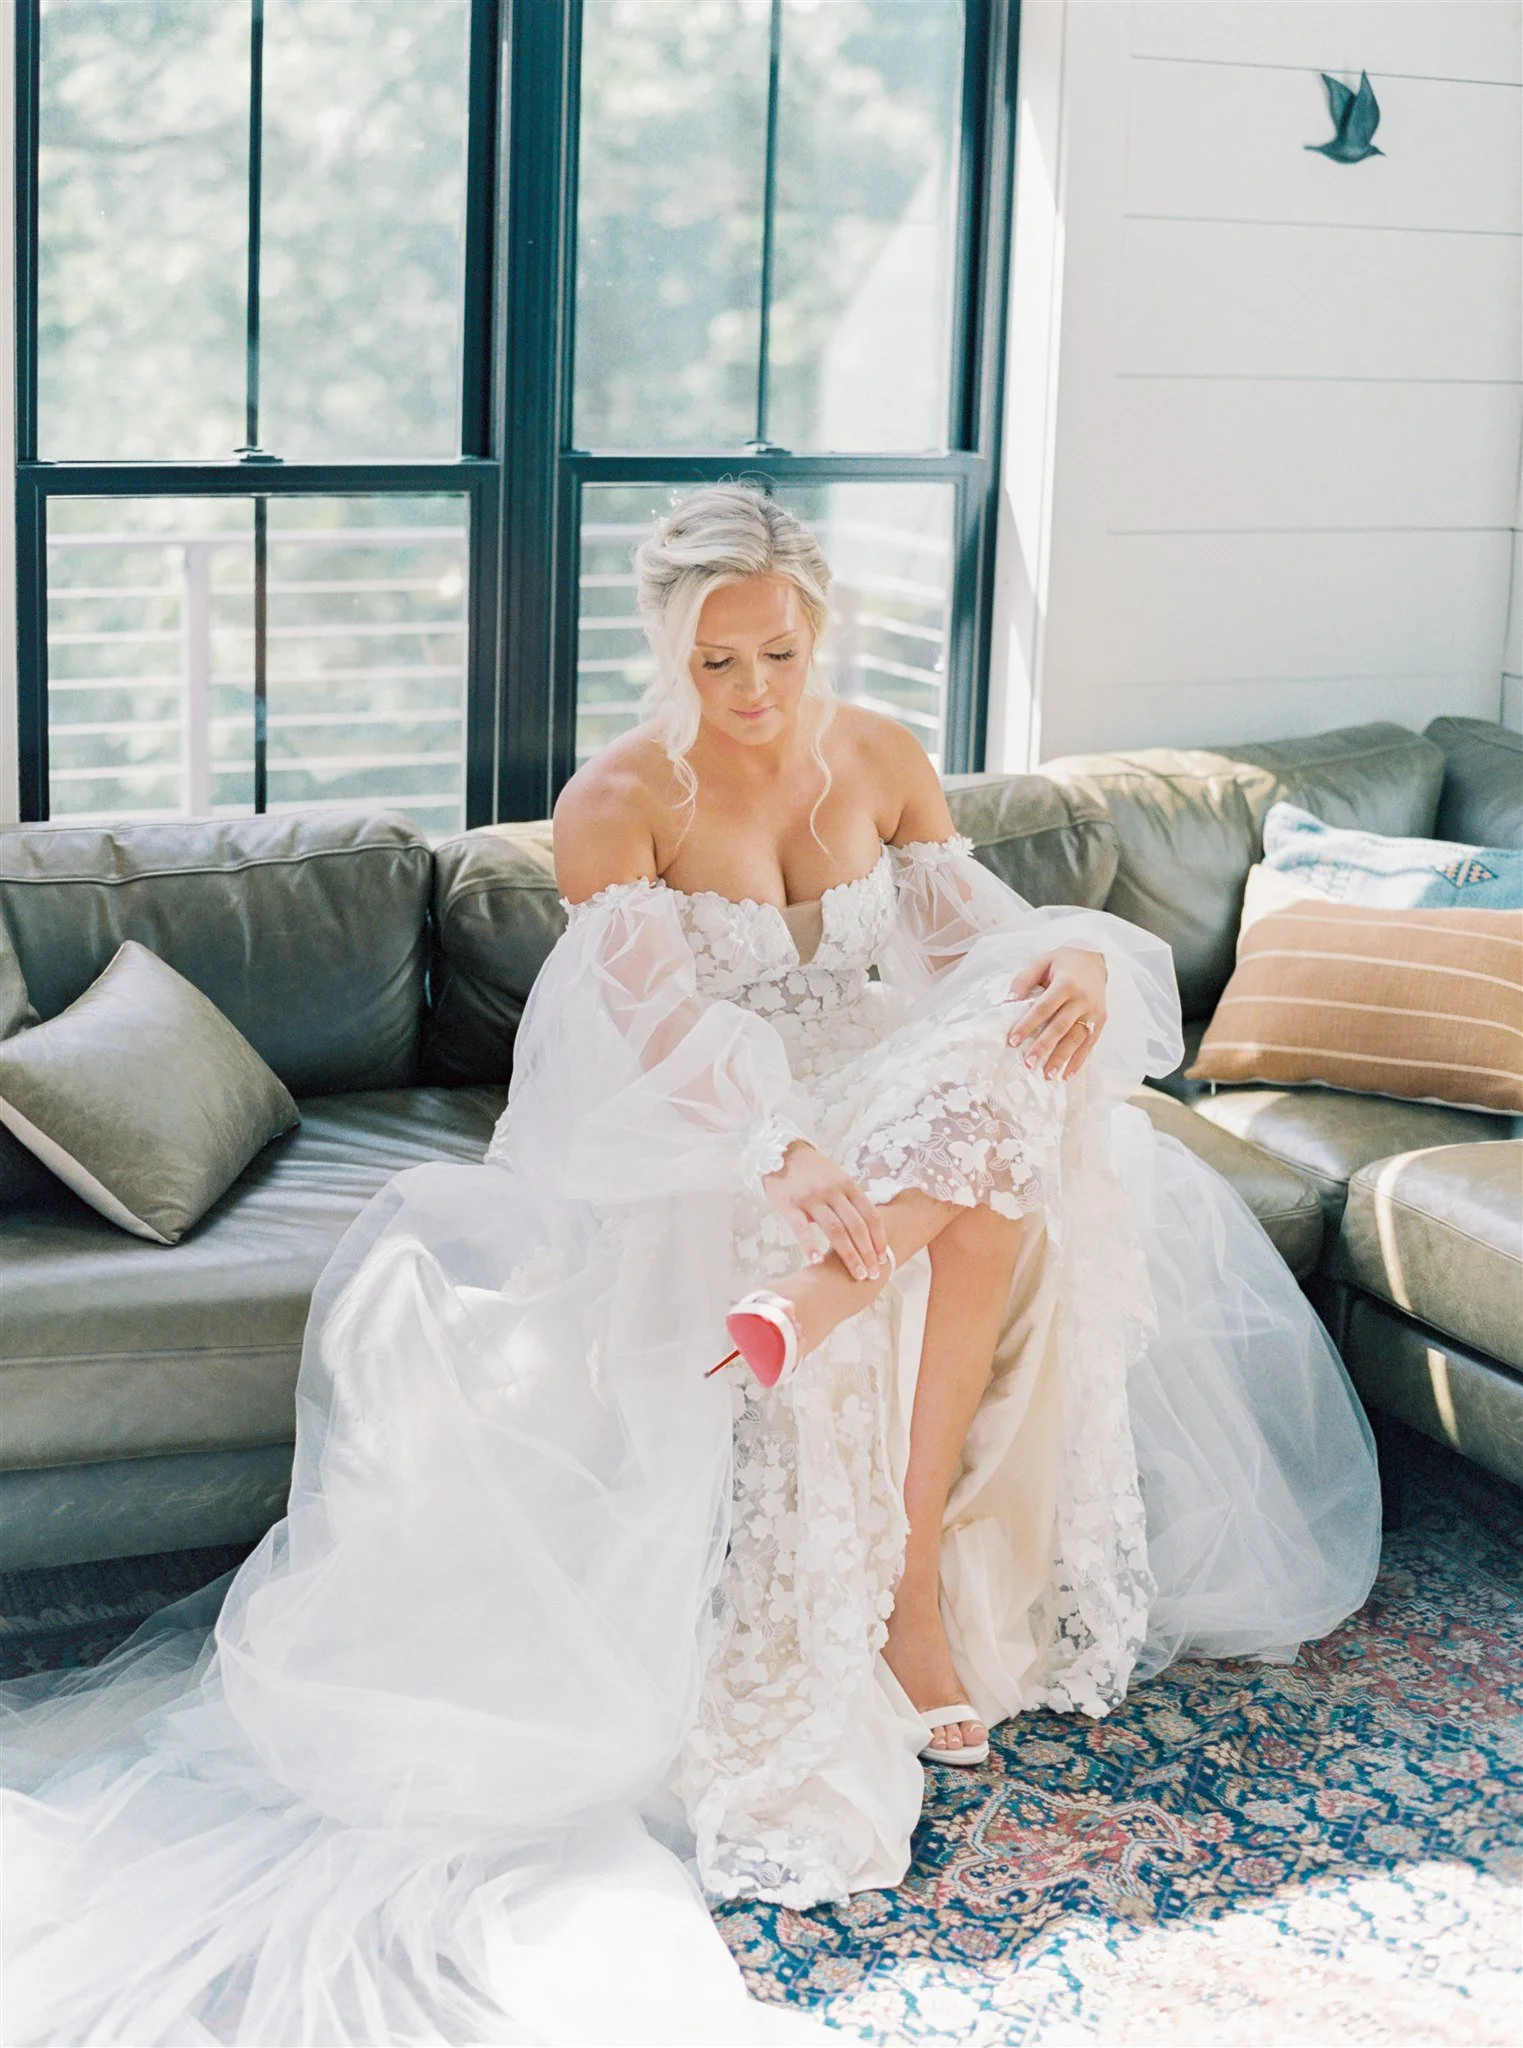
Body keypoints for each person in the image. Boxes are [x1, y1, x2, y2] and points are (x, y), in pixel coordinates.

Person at [0, 486, 1381, 2046]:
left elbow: (974, 944)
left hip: (900, 1095)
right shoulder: (617, 805)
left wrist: (1065, 956)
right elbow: (649, 1027)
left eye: (778, 655)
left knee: (1012, 1075)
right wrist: (777, 1151)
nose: (751, 694)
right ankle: (897, 1570)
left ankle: (871, 1444)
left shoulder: (878, 757)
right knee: (990, 1165)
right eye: (716, 662)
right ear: (670, 650)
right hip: (719, 1128)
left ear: (820, 634)